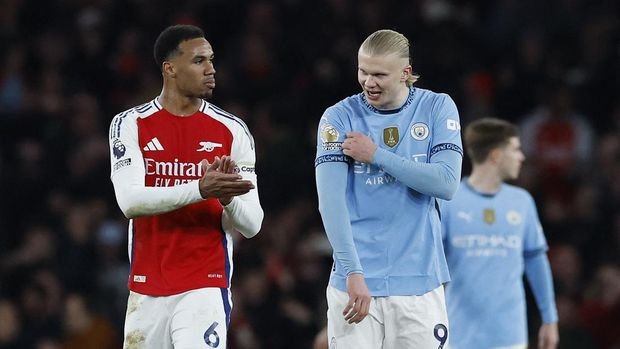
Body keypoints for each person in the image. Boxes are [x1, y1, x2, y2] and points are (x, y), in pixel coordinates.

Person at [108, 24, 263, 349]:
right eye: (199, 61)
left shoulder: (232, 131)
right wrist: (201, 189)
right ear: (170, 68)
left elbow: (252, 224)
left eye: (211, 60)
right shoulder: (130, 124)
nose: (211, 69)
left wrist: (227, 199)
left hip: (204, 286)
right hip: (146, 289)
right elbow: (130, 202)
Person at [315, 29, 463, 348]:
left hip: (419, 283)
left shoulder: (437, 108)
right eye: (363, 72)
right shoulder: (338, 118)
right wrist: (352, 271)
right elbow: (330, 203)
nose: (369, 82)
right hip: (354, 282)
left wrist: (377, 155)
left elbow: (446, 183)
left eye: (379, 74)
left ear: (405, 73)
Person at [440, 118, 559, 349]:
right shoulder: (449, 202)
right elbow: (432, 265)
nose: (521, 157)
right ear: (496, 156)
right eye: (515, 149)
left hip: (510, 336)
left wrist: (550, 317)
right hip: (459, 335)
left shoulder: (522, 202)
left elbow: (536, 261)